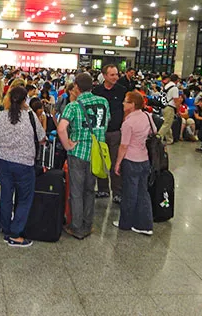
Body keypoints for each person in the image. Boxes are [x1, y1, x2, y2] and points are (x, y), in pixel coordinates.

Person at [0, 86, 46, 247]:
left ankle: (6, 229)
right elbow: (41, 137)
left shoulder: (1, 116)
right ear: (24, 101)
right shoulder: (30, 117)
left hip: (3, 162)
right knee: (24, 199)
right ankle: (15, 234)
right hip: (24, 165)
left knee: (7, 196)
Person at [58, 72, 110, 239]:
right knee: (89, 190)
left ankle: (76, 227)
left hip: (78, 153)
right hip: (96, 153)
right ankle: (88, 225)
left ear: (77, 88)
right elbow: (106, 123)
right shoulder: (103, 102)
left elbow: (61, 128)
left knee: (76, 191)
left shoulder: (73, 106)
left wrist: (67, 145)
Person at [113, 91, 154, 235]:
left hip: (131, 160)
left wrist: (118, 163)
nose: (123, 103)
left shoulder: (128, 123)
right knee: (143, 192)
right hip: (144, 159)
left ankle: (125, 223)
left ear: (132, 105)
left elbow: (124, 145)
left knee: (129, 193)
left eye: (126, 101)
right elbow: (152, 132)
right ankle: (145, 224)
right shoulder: (147, 116)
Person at [92, 64, 127, 203]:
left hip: (115, 132)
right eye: (112, 75)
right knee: (100, 161)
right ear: (104, 76)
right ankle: (102, 189)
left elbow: (126, 109)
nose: (115, 77)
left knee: (115, 162)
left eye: (116, 74)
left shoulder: (122, 90)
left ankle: (117, 192)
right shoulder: (96, 91)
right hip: (100, 132)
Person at [157, 73, 181, 145]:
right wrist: (178, 110)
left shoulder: (167, 85)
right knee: (167, 124)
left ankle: (169, 139)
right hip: (170, 107)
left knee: (167, 123)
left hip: (164, 106)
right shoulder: (174, 88)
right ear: (177, 80)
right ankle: (158, 138)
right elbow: (176, 100)